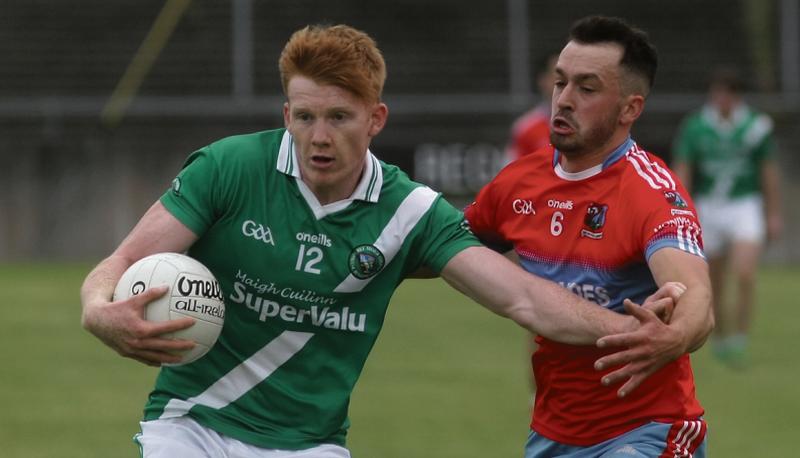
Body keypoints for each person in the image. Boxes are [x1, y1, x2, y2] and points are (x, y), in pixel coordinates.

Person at [80, 24, 682, 458]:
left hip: (309, 444)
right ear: (285, 111)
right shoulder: (229, 168)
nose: (317, 136)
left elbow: (523, 298)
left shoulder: (409, 213)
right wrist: (98, 310)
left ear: (376, 119)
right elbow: (124, 261)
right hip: (191, 424)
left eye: (338, 117)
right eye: (303, 116)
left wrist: (636, 331)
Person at [465, 16, 714, 457]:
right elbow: (445, 249)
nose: (563, 100)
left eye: (587, 88)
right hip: (553, 435)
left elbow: (694, 294)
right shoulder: (519, 182)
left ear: (629, 109)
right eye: (560, 83)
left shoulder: (652, 191)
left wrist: (674, 337)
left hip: (648, 432)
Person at [672, 67, 783, 369]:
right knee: (714, 279)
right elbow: (684, 167)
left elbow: (768, 171)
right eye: (716, 92)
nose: (721, 99)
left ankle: (740, 338)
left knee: (745, 272)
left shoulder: (755, 126)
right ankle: (720, 336)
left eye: (727, 93)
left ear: (737, 96)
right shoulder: (696, 126)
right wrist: (682, 207)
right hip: (709, 207)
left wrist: (773, 213)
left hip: (745, 205)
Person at [506, 51, 559, 162]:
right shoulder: (526, 129)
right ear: (542, 80)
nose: (564, 84)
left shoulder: (588, 124)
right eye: (557, 76)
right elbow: (514, 171)